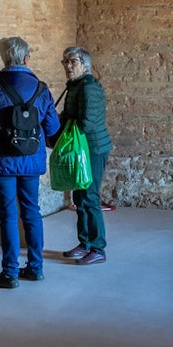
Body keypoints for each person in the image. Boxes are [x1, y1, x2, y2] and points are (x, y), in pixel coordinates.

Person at [0, 37, 61, 289]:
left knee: (7, 215)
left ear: (4, 58)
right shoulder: (41, 88)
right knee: (32, 211)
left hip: (2, 160)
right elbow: (53, 126)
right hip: (31, 160)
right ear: (27, 58)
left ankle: (9, 273)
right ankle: (35, 267)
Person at [58, 46, 112, 265]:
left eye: (72, 62)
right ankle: (85, 243)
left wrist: (64, 136)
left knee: (89, 197)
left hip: (92, 148)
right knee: (79, 197)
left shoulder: (89, 87)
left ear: (85, 65)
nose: (68, 66)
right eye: (65, 62)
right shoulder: (76, 85)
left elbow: (87, 122)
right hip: (81, 147)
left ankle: (98, 248)